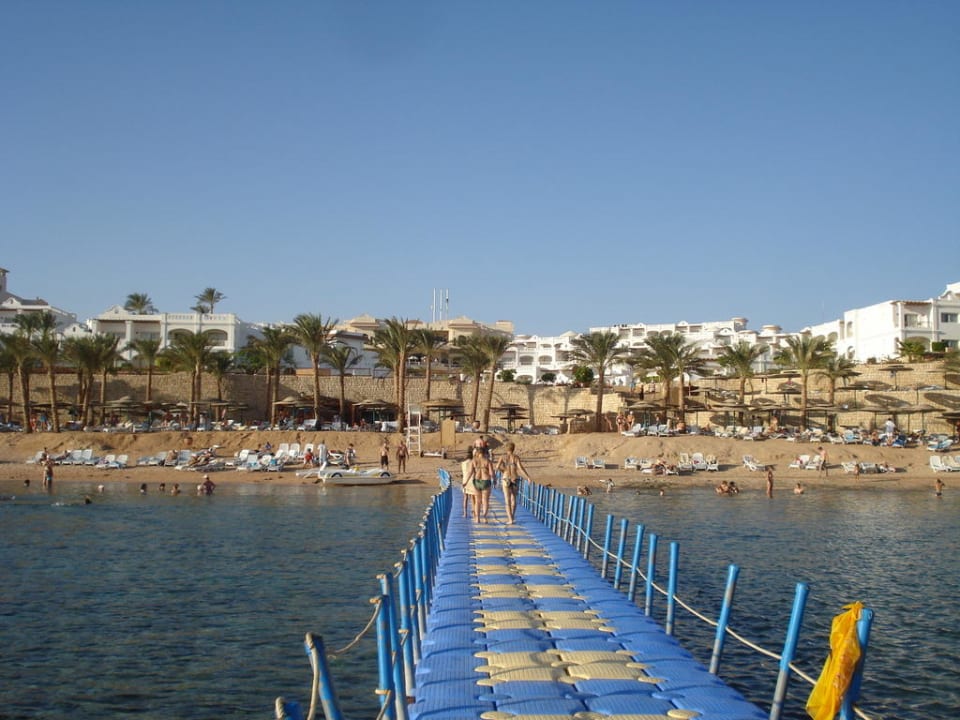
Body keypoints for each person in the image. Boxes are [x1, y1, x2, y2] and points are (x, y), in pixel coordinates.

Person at [496, 441, 531, 524]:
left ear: (506, 449)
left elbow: (497, 467)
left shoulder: (503, 457)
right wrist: (528, 477)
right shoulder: (516, 458)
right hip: (514, 478)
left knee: (507, 500)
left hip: (506, 478)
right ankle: (512, 515)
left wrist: (503, 471)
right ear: (513, 449)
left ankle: (510, 519)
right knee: (513, 498)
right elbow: (520, 468)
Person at [466, 446, 494, 523]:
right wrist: (494, 479)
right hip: (486, 481)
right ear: (484, 453)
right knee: (485, 501)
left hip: (477, 482)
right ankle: (484, 517)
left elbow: (470, 473)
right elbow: (491, 473)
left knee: (477, 501)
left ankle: (477, 518)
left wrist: (465, 482)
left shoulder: (473, 461)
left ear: (477, 453)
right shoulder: (488, 461)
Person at [460, 448, 478, 517]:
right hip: (472, 480)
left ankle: (465, 513)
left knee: (465, 498)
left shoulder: (463, 463)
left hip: (465, 480)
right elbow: (475, 471)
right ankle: (474, 513)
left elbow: (463, 472)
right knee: (473, 498)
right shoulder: (473, 462)